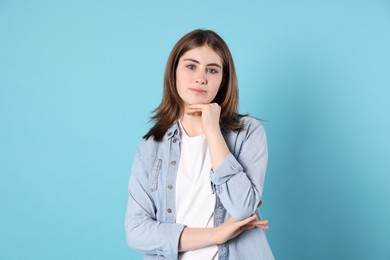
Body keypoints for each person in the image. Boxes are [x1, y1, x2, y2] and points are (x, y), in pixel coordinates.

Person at [125, 29, 274, 260]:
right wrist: (216, 235)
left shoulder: (248, 133)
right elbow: (136, 232)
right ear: (174, 71)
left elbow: (242, 207)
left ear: (223, 79)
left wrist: (213, 131)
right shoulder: (151, 147)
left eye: (212, 70)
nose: (201, 78)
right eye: (191, 66)